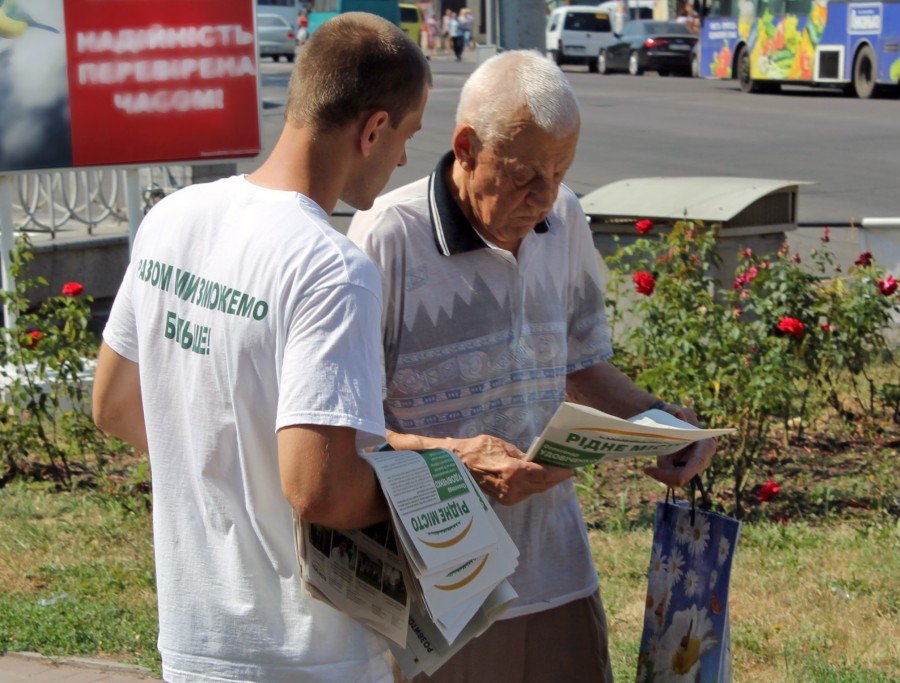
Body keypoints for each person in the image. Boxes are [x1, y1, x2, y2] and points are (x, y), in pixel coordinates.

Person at [348, 50, 715, 683]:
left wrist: (660, 424)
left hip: (556, 570)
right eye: (524, 176)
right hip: (439, 584)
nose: (544, 198)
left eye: (560, 171)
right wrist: (457, 458)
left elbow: (582, 363)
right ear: (466, 147)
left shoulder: (564, 216)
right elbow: (350, 427)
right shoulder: (388, 235)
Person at [92, 13, 430, 683]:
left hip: (194, 636)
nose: (404, 160)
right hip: (305, 652)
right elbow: (319, 488)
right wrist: (442, 485)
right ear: (373, 130)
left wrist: (228, 470)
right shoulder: (332, 267)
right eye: (407, 136)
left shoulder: (173, 217)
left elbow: (114, 405)